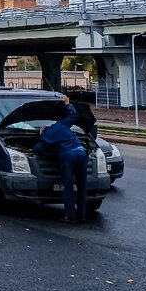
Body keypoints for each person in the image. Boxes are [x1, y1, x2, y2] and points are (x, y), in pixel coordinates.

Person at [34, 94, 88, 223]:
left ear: (42, 131)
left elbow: (38, 149)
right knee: (82, 185)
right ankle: (82, 215)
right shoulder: (61, 124)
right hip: (81, 152)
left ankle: (70, 216)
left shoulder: (46, 136)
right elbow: (73, 116)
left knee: (68, 185)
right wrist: (67, 103)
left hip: (68, 155)